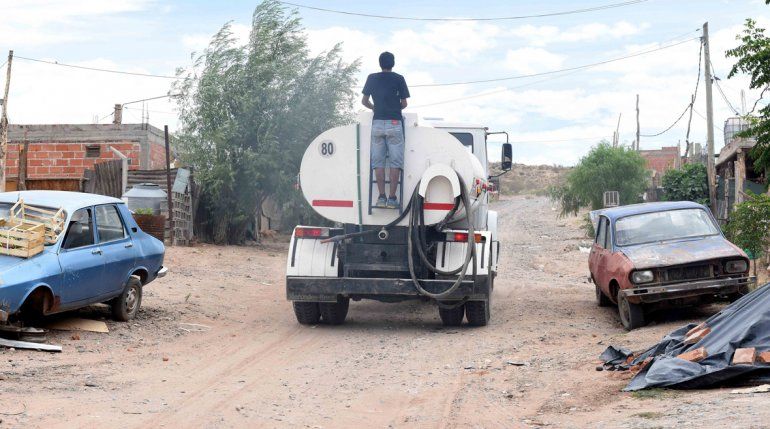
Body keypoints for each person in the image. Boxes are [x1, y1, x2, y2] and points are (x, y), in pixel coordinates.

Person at [362, 51, 410, 209]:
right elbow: (404, 104)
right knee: (395, 163)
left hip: (377, 123)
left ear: (380, 63)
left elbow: (364, 101)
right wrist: (394, 107)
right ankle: (392, 198)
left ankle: (381, 197)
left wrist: (375, 108)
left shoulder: (371, 78)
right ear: (393, 63)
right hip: (394, 123)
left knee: (378, 163)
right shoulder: (399, 79)